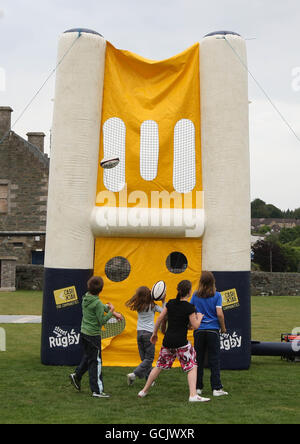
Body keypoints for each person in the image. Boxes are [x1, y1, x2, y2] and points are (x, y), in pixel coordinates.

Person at [137, 280, 210, 403]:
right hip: (181, 343)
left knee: (159, 366)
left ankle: (143, 391)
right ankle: (193, 395)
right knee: (192, 366)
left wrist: (154, 333)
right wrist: (200, 317)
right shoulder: (189, 307)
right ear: (189, 292)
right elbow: (196, 325)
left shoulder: (170, 303)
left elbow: (160, 318)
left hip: (168, 342)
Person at [69, 276, 122, 398]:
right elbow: (102, 321)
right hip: (93, 336)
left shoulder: (86, 297)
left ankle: (77, 376)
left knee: (89, 357)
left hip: (84, 333)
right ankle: (97, 390)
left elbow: (99, 307)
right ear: (101, 289)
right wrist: (111, 311)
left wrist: (114, 313)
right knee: (96, 361)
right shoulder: (96, 302)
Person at [190, 271, 228, 397]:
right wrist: (223, 328)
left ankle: (198, 387)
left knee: (198, 360)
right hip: (213, 331)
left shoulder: (195, 295)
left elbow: (190, 311)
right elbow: (219, 314)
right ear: (213, 282)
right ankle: (216, 388)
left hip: (199, 330)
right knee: (214, 360)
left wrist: (191, 324)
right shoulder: (217, 295)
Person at [125, 286, 166, 385]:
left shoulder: (138, 305)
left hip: (139, 333)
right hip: (149, 334)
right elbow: (164, 312)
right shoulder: (152, 306)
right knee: (149, 359)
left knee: (145, 359)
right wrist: (163, 301)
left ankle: (150, 380)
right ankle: (134, 375)